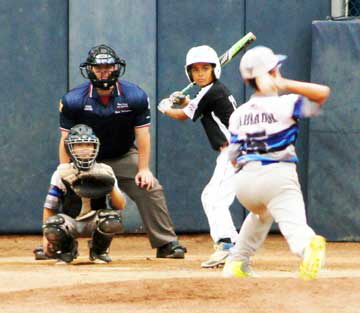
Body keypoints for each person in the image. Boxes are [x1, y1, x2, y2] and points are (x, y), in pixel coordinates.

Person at [58, 44, 186, 259]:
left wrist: (144, 169)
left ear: (116, 68)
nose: (104, 72)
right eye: (99, 68)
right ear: (89, 70)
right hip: (85, 159)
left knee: (150, 188)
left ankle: (166, 243)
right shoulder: (73, 100)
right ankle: (57, 245)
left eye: (108, 67)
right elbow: (65, 139)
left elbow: (143, 135)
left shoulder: (134, 96)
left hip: (123, 154)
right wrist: (65, 170)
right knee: (63, 191)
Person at [222, 46, 330, 279]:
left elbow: (232, 157)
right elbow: (322, 93)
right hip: (277, 176)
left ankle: (237, 262)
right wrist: (284, 83)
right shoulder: (286, 103)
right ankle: (306, 247)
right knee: (293, 224)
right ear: (273, 73)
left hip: (243, 183)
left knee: (261, 213)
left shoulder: (238, 113)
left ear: (246, 79)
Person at [157, 45, 238, 268]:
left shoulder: (212, 92)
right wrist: (184, 101)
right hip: (237, 151)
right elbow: (196, 107)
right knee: (212, 196)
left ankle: (227, 246)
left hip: (235, 151)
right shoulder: (211, 92)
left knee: (214, 198)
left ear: (214, 70)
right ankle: (233, 246)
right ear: (189, 73)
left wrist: (165, 107)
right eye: (195, 69)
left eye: (205, 68)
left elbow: (183, 115)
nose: (200, 73)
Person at [41, 124, 125, 263]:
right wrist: (45, 237)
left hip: (95, 220)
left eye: (88, 144)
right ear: (71, 148)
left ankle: (98, 251)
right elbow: (50, 207)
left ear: (95, 147)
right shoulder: (61, 173)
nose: (85, 149)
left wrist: (111, 187)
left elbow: (120, 205)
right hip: (71, 221)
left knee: (112, 219)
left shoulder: (105, 170)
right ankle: (68, 250)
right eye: (79, 145)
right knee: (52, 225)